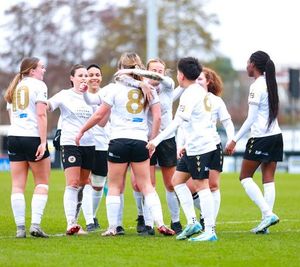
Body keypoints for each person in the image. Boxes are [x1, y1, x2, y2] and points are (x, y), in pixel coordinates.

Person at [75, 52, 175, 236]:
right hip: (140, 141)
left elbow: (98, 115)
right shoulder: (149, 89)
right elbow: (158, 117)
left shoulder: (114, 88)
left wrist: (82, 130)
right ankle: (160, 222)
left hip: (118, 141)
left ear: (121, 68)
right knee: (147, 186)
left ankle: (113, 227)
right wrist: (152, 141)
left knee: (114, 186)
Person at [147, 57, 218, 242]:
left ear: (181, 75)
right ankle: (192, 222)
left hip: (201, 146)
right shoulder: (197, 91)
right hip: (194, 145)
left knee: (202, 186)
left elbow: (178, 122)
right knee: (177, 181)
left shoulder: (190, 94)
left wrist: (156, 140)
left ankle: (210, 230)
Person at [114, 58, 182, 235]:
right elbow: (120, 77)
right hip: (145, 137)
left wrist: (143, 76)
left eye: (161, 70)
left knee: (171, 183)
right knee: (145, 183)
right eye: (154, 69)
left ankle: (176, 221)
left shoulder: (168, 85)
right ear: (147, 69)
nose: (158, 73)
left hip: (165, 138)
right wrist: (140, 82)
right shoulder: (139, 85)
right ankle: (146, 222)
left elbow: (157, 78)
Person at [226, 51, 282, 234]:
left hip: (261, 138)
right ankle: (266, 223)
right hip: (276, 136)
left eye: (248, 62)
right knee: (268, 179)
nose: (246, 65)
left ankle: (267, 214)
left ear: (254, 65)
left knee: (244, 176)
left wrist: (234, 140)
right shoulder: (270, 84)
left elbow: (251, 119)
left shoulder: (257, 86)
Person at [183, 67, 235, 228]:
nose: (197, 82)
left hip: (212, 146)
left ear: (208, 82)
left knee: (212, 185)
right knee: (186, 185)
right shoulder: (190, 97)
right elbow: (184, 124)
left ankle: (208, 222)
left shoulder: (216, 101)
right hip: (193, 146)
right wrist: (183, 144)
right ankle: (206, 214)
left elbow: (227, 121)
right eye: (196, 79)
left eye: (200, 79)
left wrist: (232, 139)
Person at [4, 57, 50, 238]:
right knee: (42, 182)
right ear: (32, 70)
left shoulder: (14, 87)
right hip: (32, 137)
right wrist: (44, 141)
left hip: (14, 137)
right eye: (41, 67)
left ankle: (20, 228)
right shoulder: (39, 86)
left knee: (17, 185)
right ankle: (35, 225)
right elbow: (41, 114)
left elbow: (11, 116)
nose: (44, 70)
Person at [47, 64, 95, 235]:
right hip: (70, 143)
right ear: (72, 78)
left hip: (90, 144)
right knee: (73, 183)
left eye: (86, 75)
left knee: (84, 183)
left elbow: (101, 119)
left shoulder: (93, 97)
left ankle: (82, 222)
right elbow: (48, 105)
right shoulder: (64, 95)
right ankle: (71, 222)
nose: (84, 78)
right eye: (80, 75)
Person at [81, 63, 109, 230]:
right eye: (90, 74)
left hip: (102, 145)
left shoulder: (107, 95)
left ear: (101, 77)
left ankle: (93, 216)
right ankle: (89, 220)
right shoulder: (79, 95)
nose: (94, 77)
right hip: (83, 144)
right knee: (84, 182)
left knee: (98, 184)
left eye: (97, 74)